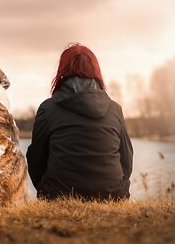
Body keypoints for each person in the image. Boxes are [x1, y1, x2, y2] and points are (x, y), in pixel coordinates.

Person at [26, 43, 133, 201]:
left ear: (62, 71)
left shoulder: (47, 109)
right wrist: (117, 187)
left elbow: (36, 159)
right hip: (112, 196)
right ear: (96, 71)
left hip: (58, 195)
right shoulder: (114, 109)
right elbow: (127, 159)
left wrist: (45, 189)